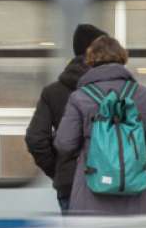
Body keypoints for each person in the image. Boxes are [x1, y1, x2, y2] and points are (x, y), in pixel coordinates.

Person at [54, 35, 146, 215]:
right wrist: (135, 142)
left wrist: (95, 144)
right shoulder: (142, 94)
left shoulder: (79, 97)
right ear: (122, 58)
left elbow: (65, 143)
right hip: (137, 196)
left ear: (91, 60)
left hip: (91, 194)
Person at [25, 24, 107, 213]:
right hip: (111, 180)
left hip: (70, 184)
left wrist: (59, 170)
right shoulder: (115, 88)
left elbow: (36, 139)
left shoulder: (53, 92)